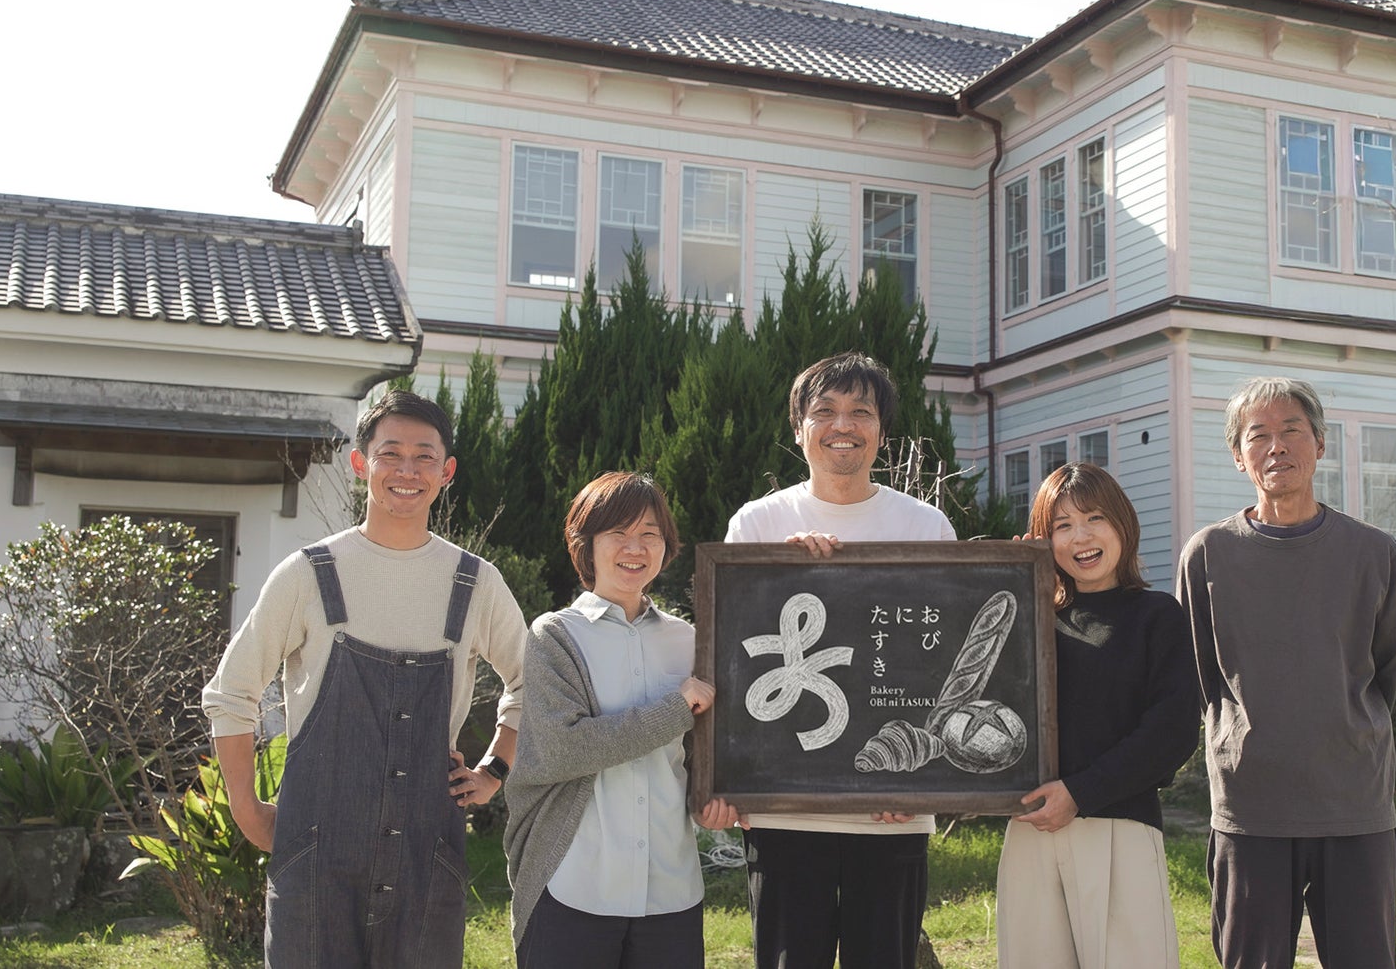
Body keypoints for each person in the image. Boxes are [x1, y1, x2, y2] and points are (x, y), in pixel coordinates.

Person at [202, 389, 528, 969]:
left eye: (425, 456)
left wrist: (494, 770)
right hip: (316, 856)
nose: (408, 471)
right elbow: (232, 692)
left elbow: (532, 684)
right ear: (360, 463)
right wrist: (247, 810)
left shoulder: (475, 583)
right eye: (390, 454)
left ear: (447, 471)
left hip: (427, 854)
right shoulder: (309, 574)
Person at [723, 351, 956, 969]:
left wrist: (923, 782)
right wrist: (781, 573)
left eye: (861, 411)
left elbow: (942, 668)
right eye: (824, 411)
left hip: (893, 810)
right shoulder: (758, 524)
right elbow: (733, 661)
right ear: (799, 428)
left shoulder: (925, 526)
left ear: (881, 429)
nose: (842, 425)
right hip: (784, 808)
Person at [1175, 377, 1396, 969]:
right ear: (1238, 455)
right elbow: (1202, 677)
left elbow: (1384, 670)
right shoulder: (1208, 554)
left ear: (1320, 444)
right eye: (1258, 436)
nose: (1276, 446)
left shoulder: (1372, 552)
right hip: (1251, 804)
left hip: (1353, 800)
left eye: (1291, 431)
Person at [501, 472, 737, 968]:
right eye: (618, 533)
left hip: (670, 887)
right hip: (574, 883)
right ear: (585, 545)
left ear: (666, 546)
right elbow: (564, 749)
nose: (635, 548)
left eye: (650, 533)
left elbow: (702, 752)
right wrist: (674, 710)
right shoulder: (555, 636)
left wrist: (712, 799)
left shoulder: (689, 640)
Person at [998, 463, 1201, 969]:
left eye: (1095, 518)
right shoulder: (1033, 618)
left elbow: (1173, 729)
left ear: (1122, 524)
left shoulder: (1157, 615)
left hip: (1121, 827)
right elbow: (992, 708)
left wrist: (1081, 792)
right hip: (1031, 829)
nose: (1081, 537)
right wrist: (1023, 594)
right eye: (1062, 525)